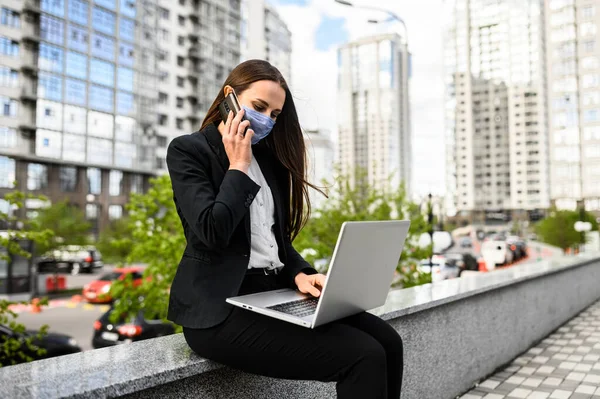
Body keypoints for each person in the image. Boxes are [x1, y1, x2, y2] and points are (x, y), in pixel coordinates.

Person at [165, 59, 404, 399]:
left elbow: (276, 243)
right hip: (219, 311)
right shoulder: (189, 151)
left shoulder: (267, 162)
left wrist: (301, 274)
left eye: (275, 115)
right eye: (259, 107)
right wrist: (238, 166)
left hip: (273, 293)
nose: (266, 120)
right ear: (229, 97)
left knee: (388, 342)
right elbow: (211, 232)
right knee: (363, 356)